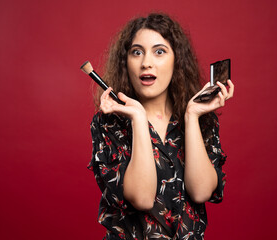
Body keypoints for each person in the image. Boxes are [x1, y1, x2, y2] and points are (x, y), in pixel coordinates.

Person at [88, 12, 234, 240]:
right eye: (137, 52)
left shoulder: (201, 120)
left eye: (159, 51)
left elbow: (201, 191)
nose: (146, 63)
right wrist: (138, 117)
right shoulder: (109, 123)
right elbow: (142, 197)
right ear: (125, 61)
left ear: (177, 60)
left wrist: (192, 116)